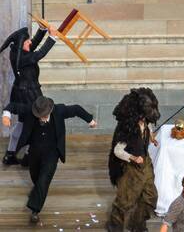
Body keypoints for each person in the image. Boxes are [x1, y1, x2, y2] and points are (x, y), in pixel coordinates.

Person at [2, 96, 96, 225]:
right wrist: (6, 116)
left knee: (44, 178)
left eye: (44, 115)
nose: (42, 118)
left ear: (50, 110)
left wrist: (90, 120)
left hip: (52, 152)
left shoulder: (59, 110)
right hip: (34, 151)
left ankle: (35, 210)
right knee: (36, 176)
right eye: (39, 115)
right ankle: (37, 191)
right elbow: (12, 106)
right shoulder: (29, 110)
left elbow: (76, 109)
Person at [107, 87, 160, 232]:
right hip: (130, 168)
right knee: (125, 200)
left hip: (146, 164)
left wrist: (151, 138)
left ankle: (138, 224)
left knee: (150, 196)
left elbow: (149, 128)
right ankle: (115, 226)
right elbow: (118, 150)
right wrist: (133, 157)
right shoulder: (127, 128)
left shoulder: (146, 121)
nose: (146, 118)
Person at [2, 25, 57, 165]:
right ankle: (28, 157)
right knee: (35, 125)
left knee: (22, 124)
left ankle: (10, 154)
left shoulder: (17, 52)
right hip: (29, 94)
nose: (29, 43)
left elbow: (32, 45)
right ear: (21, 44)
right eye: (26, 42)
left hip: (20, 92)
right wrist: (52, 37)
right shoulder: (22, 58)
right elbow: (39, 54)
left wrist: (42, 30)